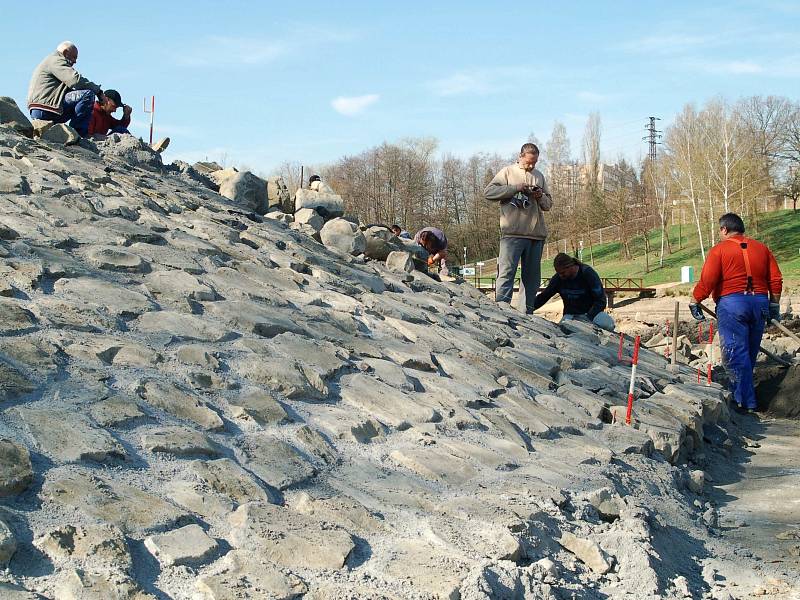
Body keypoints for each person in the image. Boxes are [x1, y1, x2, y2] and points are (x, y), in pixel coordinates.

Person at [690, 213, 783, 413]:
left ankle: (744, 402)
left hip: (732, 305)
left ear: (724, 229)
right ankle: (746, 395)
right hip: (759, 303)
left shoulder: (719, 251)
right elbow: (775, 279)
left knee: (735, 354)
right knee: (749, 352)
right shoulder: (762, 248)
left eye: (719, 230)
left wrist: (695, 300)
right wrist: (774, 305)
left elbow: (708, 280)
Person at [484, 143, 553, 313]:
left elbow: (548, 204)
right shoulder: (507, 172)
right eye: (529, 162)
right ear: (520, 156)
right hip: (512, 234)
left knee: (531, 279)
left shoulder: (539, 176)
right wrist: (515, 188)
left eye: (534, 162)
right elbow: (489, 193)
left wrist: (540, 196)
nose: (531, 166)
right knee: (506, 273)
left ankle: (527, 312)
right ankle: (502, 310)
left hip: (536, 235)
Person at [27, 41, 102, 137]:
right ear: (65, 52)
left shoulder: (51, 61)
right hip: (46, 108)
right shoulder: (56, 60)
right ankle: (79, 135)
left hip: (41, 108)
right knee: (87, 94)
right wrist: (98, 91)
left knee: (79, 97)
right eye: (74, 57)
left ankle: (74, 133)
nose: (75, 61)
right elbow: (75, 80)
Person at [532, 253, 614, 331]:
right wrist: (530, 307)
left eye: (563, 273)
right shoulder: (558, 279)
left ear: (570, 267)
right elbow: (544, 296)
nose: (561, 276)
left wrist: (588, 317)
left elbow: (601, 300)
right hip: (571, 315)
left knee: (608, 325)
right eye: (558, 273)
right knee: (563, 329)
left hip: (593, 314)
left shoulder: (587, 273)